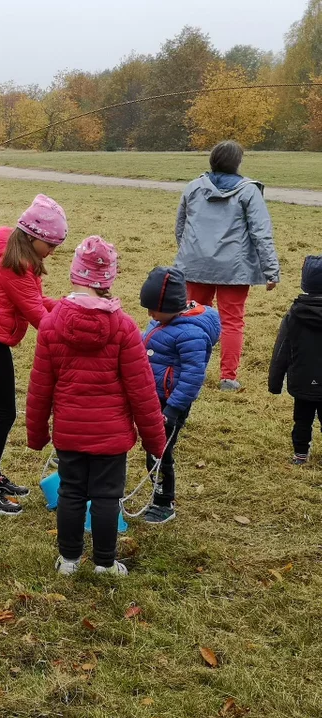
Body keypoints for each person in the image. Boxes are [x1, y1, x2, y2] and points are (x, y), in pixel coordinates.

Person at [26, 236, 166, 576]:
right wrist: (154, 440)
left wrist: (37, 432)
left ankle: (69, 560)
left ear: (75, 276)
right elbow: (142, 390)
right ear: (109, 280)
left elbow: (40, 385)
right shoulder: (124, 327)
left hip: (70, 433)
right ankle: (105, 561)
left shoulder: (51, 323)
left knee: (71, 493)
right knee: (106, 497)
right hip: (111, 436)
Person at [0, 195, 67, 516]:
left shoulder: (16, 257)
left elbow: (38, 300)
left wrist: (68, 307)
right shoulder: (15, 268)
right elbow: (37, 314)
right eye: (50, 244)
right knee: (3, 413)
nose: (52, 251)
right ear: (33, 237)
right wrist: (74, 330)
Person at [174, 140, 280, 392]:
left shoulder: (193, 188)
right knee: (232, 321)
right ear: (237, 163)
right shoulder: (249, 191)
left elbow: (180, 227)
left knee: (191, 318)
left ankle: (188, 371)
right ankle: (228, 378)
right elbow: (261, 232)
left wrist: (190, 254)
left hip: (196, 264)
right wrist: (271, 269)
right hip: (235, 269)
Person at [139, 266, 221, 524]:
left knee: (159, 452)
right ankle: (156, 494)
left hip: (169, 404)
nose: (150, 315)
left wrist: (172, 410)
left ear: (173, 306)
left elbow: (193, 377)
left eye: (153, 309)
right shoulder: (164, 319)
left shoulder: (192, 334)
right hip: (152, 396)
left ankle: (164, 502)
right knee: (151, 449)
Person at [269, 255, 322, 465]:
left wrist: (275, 383)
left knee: (302, 419)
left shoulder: (294, 315)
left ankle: (300, 454)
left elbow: (281, 350)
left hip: (302, 380)